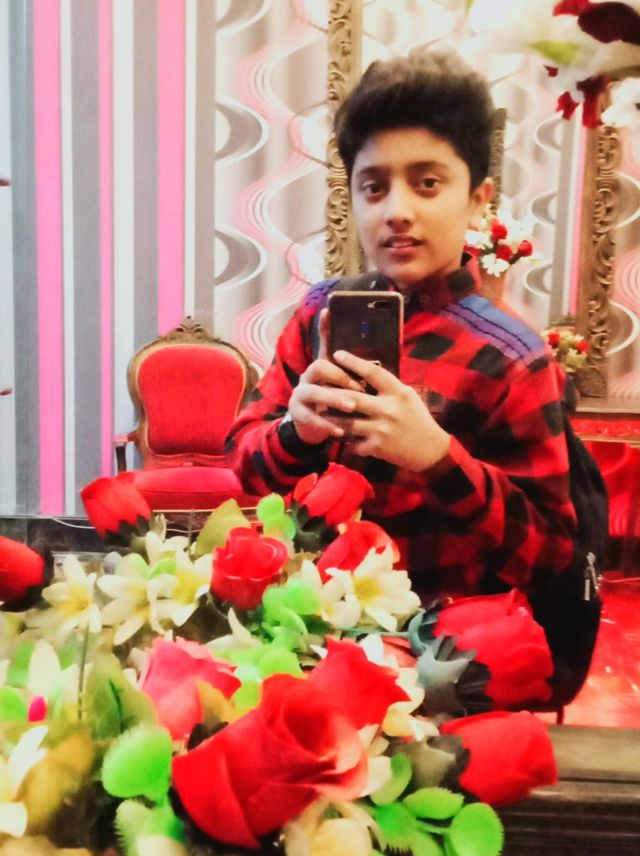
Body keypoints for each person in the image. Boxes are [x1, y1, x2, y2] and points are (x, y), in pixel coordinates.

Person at [226, 48, 577, 599]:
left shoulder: (513, 357)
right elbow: (245, 464)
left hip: (440, 639)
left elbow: (550, 556)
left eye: (427, 183)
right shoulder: (319, 314)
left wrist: (437, 458)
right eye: (374, 187)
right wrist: (298, 431)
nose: (396, 211)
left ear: (478, 201)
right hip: (303, 619)